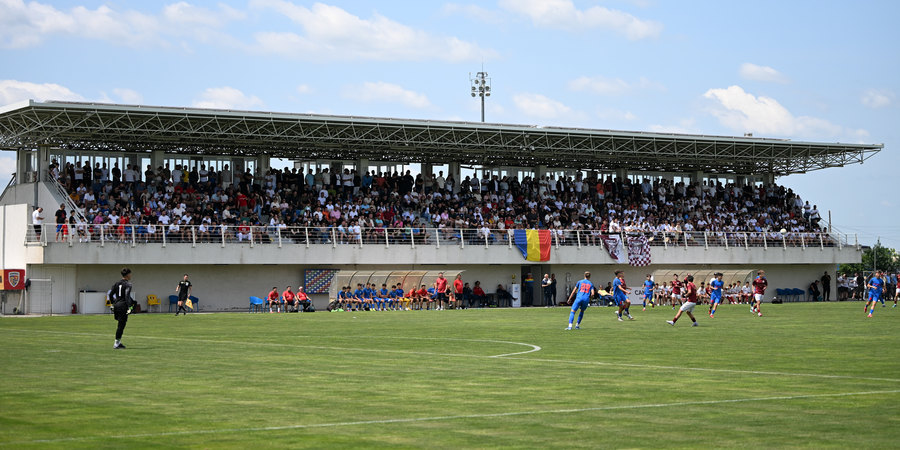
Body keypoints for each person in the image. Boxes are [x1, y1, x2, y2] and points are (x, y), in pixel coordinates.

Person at [111, 267, 135, 349]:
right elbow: (127, 296)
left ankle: (118, 342)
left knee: (120, 324)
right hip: (123, 306)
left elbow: (111, 294)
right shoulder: (128, 284)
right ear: (127, 275)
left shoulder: (117, 283)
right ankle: (116, 343)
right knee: (121, 325)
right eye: (130, 274)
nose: (131, 275)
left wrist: (112, 304)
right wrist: (130, 307)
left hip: (117, 305)